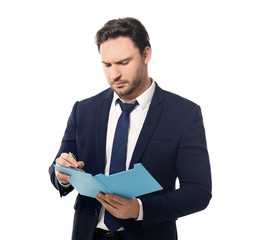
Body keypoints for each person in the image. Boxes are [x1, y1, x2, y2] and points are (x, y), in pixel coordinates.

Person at [49, 17, 212, 240]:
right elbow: (58, 166)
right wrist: (62, 174)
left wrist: (139, 209)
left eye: (123, 63)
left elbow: (198, 192)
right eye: (107, 65)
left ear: (146, 55)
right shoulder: (84, 110)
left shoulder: (183, 114)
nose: (114, 74)